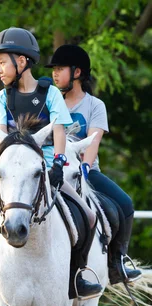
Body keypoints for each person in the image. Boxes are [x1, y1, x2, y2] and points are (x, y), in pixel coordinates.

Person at [0, 28, 103, 300]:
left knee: (89, 217)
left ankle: (77, 275)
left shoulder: (50, 94)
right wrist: (16, 150)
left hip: (44, 166)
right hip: (11, 167)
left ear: (21, 62)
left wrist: (58, 164)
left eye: (1, 63)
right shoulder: (1, 98)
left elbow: (59, 128)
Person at [46, 44, 142, 284]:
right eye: (54, 69)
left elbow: (93, 142)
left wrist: (85, 169)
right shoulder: (48, 101)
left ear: (77, 73)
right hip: (51, 170)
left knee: (125, 204)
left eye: (60, 69)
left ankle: (116, 262)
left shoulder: (95, 105)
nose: (54, 74)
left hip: (83, 171)